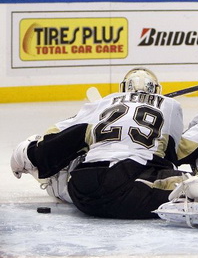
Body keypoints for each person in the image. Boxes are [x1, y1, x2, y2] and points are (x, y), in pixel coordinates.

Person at [11, 68, 186, 219]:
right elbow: (172, 155)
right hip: (130, 187)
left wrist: (30, 151)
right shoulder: (170, 105)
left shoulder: (102, 103)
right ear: (156, 89)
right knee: (187, 184)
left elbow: (56, 133)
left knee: (82, 147)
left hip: (83, 191)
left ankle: (53, 176)